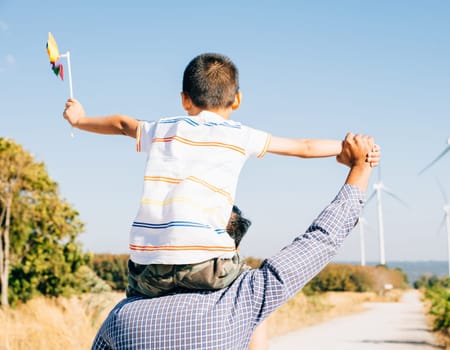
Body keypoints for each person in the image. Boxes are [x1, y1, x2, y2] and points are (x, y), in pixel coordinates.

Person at [62, 52, 380, 298]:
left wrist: (80, 120)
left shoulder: (162, 129)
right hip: (207, 267)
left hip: (146, 270)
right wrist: (348, 149)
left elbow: (120, 124)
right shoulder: (239, 134)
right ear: (237, 99)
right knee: (252, 292)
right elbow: (303, 146)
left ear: (185, 99)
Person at [91, 132, 376, 350]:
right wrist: (360, 168)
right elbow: (322, 239)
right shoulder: (247, 297)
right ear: (231, 248)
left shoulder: (121, 318)